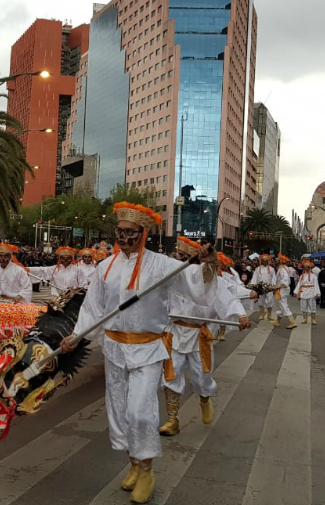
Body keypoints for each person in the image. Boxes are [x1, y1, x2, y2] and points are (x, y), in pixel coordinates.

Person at [59, 202, 250, 504]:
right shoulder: (104, 267)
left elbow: (195, 285)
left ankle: (147, 468)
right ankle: (134, 462)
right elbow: (93, 309)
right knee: (119, 412)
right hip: (114, 348)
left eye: (130, 233)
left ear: (143, 233)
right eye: (120, 232)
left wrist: (209, 264)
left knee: (140, 410)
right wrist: (76, 336)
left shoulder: (161, 265)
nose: (123, 238)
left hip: (147, 349)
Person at [159, 237, 249, 436]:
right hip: (175, 333)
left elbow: (227, 297)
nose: (180, 259)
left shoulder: (212, 279)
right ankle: (172, 419)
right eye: (179, 256)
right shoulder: (173, 275)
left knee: (201, 378)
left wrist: (241, 315)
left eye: (185, 256)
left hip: (199, 336)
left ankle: (204, 397)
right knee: (171, 375)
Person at [251, 255, 277, 322]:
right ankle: (261, 314)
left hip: (269, 287)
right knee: (260, 301)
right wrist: (254, 286)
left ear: (268, 261)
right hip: (260, 287)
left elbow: (274, 278)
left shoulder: (271, 269)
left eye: (266, 260)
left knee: (270, 301)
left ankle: (269, 315)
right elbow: (254, 278)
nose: (264, 262)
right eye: (263, 260)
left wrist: (273, 286)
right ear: (261, 261)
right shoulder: (257, 269)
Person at [294, 259, 320, 325]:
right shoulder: (301, 276)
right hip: (303, 292)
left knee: (312, 306)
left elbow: (316, 284)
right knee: (303, 306)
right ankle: (305, 319)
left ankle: (313, 319)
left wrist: (317, 293)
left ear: (310, 268)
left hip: (311, 292)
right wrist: (296, 292)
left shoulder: (314, 276)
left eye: (307, 267)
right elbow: (299, 284)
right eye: (305, 267)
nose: (306, 269)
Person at [275, 255, 296, 329]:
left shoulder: (282, 269)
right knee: (280, 305)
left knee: (283, 305)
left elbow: (285, 279)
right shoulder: (285, 268)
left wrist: (279, 285)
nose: (276, 261)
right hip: (284, 288)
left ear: (280, 261)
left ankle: (292, 321)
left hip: (282, 289)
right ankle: (277, 321)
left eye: (277, 260)